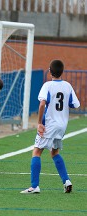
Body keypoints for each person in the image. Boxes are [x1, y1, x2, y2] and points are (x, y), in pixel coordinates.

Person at [21, 60, 80, 194]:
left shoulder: (47, 85)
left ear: (49, 71)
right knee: (54, 153)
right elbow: (75, 104)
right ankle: (66, 181)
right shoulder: (67, 86)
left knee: (37, 151)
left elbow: (42, 104)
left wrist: (39, 123)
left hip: (50, 125)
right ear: (62, 72)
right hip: (62, 126)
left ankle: (34, 186)